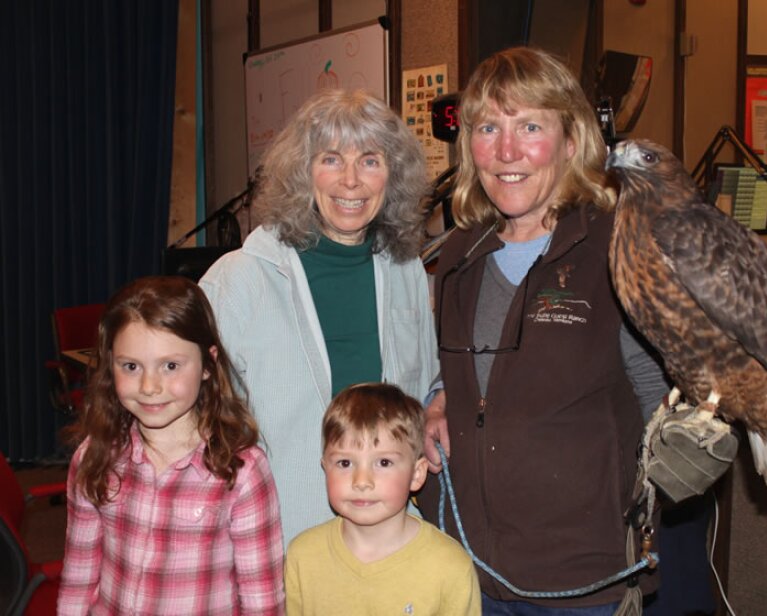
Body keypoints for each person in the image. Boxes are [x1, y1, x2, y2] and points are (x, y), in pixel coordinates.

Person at [419, 47, 661, 615]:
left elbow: (661, 409)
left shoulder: (618, 247)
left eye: (530, 126)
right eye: (488, 128)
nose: (506, 151)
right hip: (465, 571)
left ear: (571, 141)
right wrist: (440, 401)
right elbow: (476, 380)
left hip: (582, 583)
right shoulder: (458, 254)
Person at [200, 89, 439, 546]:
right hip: (278, 540)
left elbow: (425, 386)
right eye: (331, 159)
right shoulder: (239, 280)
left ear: (393, 177)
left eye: (370, 161)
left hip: (390, 539)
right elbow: (200, 424)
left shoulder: (406, 268)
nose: (351, 181)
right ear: (302, 173)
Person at [58, 276, 284, 615]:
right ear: (111, 364)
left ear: (208, 364)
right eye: (131, 366)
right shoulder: (94, 456)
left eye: (171, 366)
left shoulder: (242, 470)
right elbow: (78, 578)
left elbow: (262, 602)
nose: (150, 386)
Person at [284, 383, 480, 615]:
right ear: (325, 468)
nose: (362, 481)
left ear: (417, 474)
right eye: (345, 463)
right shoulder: (302, 556)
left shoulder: (451, 567)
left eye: (383, 462)